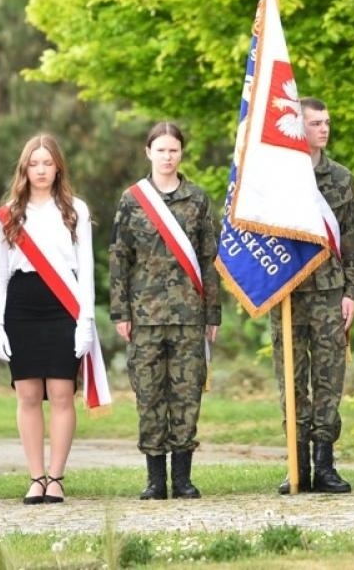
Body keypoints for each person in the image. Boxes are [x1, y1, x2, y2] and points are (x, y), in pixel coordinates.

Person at [110, 122, 221, 500]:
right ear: (148, 153)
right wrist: (120, 312)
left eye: (174, 150)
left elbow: (210, 260)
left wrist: (212, 314)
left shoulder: (198, 199)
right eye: (161, 150)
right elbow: (119, 258)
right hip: (144, 316)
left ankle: (184, 478)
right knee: (149, 396)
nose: (167, 157)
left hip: (190, 316)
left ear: (181, 154)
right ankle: (155, 479)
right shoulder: (132, 200)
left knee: (187, 394)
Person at [0, 135, 97, 505]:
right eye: (33, 164)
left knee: (63, 394)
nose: (40, 170)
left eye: (47, 163)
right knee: (29, 395)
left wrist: (86, 321)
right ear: (24, 168)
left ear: (58, 168)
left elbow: (87, 270)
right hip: (22, 307)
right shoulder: (9, 214)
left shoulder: (75, 210)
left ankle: (57, 478)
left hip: (63, 306)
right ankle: (36, 477)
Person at [271, 97, 354, 495]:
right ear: (299, 127)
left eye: (327, 122)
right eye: (315, 123)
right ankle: (298, 464)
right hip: (288, 292)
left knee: (328, 378)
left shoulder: (341, 178)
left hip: (329, 292)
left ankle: (325, 465)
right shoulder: (277, 178)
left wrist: (350, 291)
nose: (323, 129)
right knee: (291, 380)